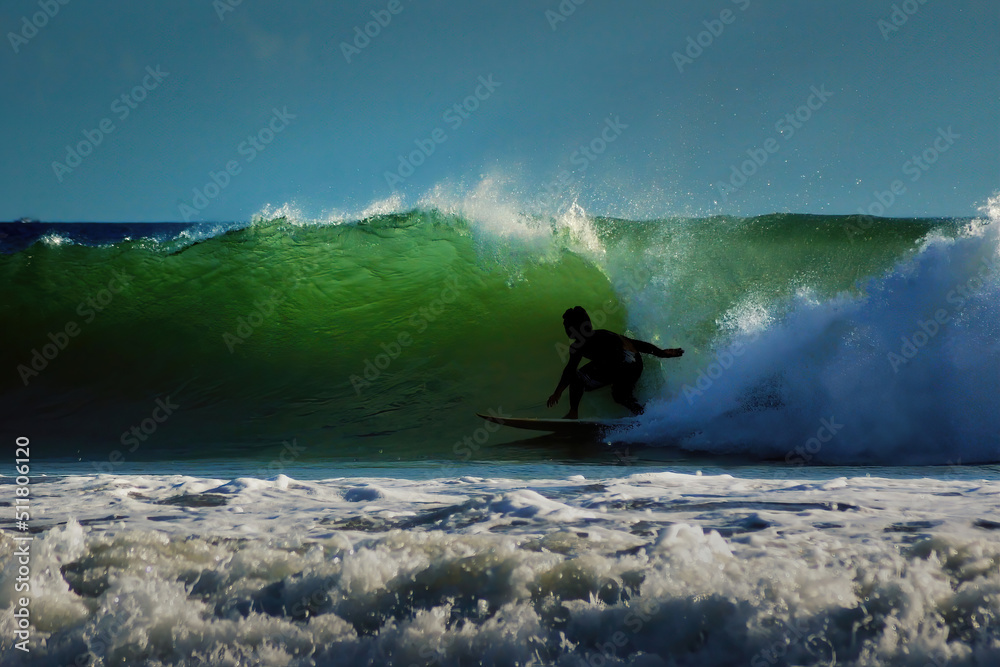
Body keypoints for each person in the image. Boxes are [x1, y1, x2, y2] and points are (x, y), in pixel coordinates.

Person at [547, 306, 683, 419]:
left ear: (576, 327)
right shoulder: (586, 342)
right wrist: (558, 392)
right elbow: (635, 344)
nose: (565, 328)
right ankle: (643, 415)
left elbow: (635, 344)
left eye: (567, 325)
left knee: (584, 379)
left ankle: (573, 413)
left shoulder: (598, 337)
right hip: (627, 364)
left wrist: (662, 353)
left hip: (627, 364)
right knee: (617, 395)